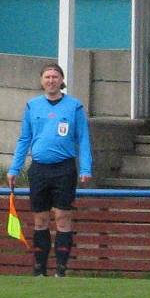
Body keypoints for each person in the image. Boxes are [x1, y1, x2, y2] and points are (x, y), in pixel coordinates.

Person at [7, 62, 92, 278]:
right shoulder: (32, 106)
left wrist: (86, 168)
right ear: (41, 81)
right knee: (40, 219)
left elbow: (83, 139)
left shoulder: (75, 107)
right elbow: (24, 138)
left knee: (63, 217)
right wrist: (14, 168)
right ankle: (39, 269)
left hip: (64, 168)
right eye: (47, 77)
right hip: (39, 169)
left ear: (62, 81)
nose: (51, 81)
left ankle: (61, 269)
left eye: (55, 77)